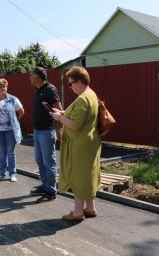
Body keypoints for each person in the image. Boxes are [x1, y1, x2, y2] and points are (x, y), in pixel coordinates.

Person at [50, 66, 101, 221]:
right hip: (90, 142)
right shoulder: (90, 94)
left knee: (78, 176)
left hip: (80, 144)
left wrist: (59, 118)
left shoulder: (83, 99)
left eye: (71, 83)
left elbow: (75, 124)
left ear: (79, 82)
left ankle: (78, 213)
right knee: (88, 175)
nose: (70, 87)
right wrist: (62, 113)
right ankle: (90, 208)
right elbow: (79, 116)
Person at [29, 66, 63, 203]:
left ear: (37, 77)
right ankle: (45, 185)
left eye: (31, 75)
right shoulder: (38, 90)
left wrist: (59, 130)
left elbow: (59, 111)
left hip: (47, 131)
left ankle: (51, 191)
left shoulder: (50, 89)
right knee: (39, 159)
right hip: (37, 131)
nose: (29, 78)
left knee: (49, 162)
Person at [0, 78, 25, 182]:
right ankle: (2, 173)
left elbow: (21, 112)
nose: (3, 88)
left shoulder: (13, 99)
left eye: (4, 86)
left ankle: (12, 174)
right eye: (0, 87)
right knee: (2, 152)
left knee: (10, 151)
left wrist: (14, 120)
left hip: (10, 131)